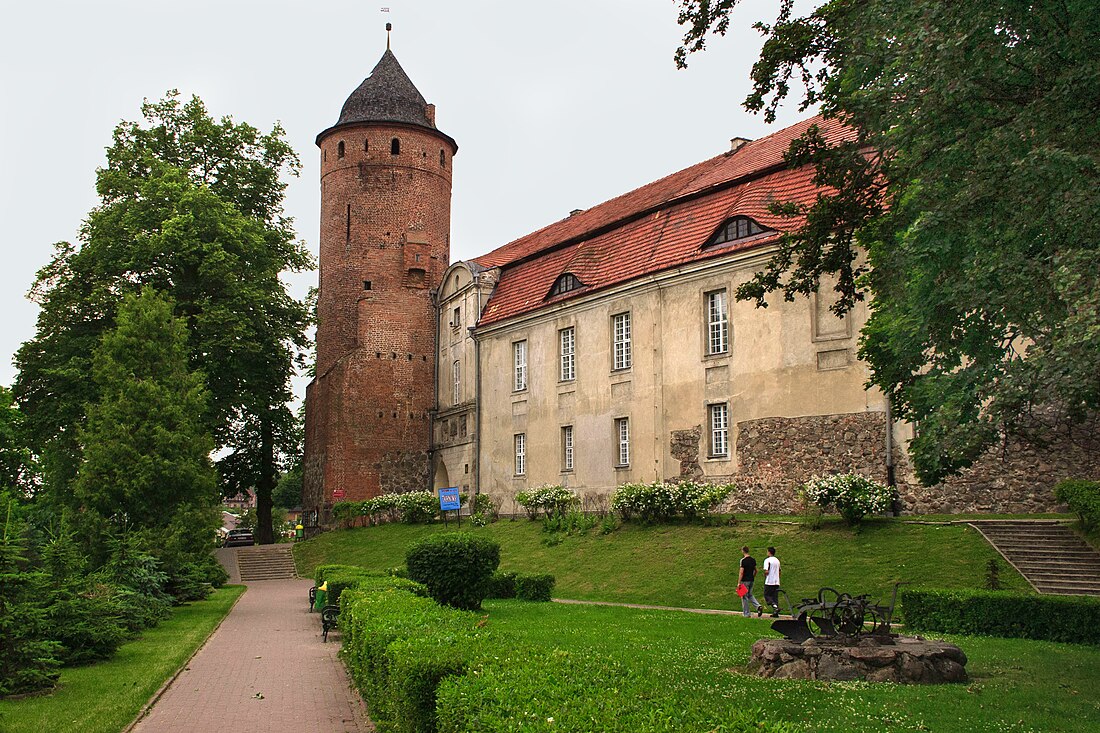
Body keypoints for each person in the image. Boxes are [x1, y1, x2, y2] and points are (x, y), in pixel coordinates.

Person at [737, 545, 763, 617]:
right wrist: (752, 576)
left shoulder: (743, 560)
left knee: (744, 596)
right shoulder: (752, 560)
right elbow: (756, 570)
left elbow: (741, 572)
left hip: (744, 580)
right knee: (750, 595)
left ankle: (746, 613)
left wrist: (739, 582)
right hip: (751, 580)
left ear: (743, 551)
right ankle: (758, 606)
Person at [762, 546, 781, 617]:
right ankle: (776, 613)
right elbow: (779, 571)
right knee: (775, 596)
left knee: (766, 595)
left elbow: (766, 571)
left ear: (769, 552)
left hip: (770, 581)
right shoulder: (777, 560)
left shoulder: (767, 560)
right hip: (776, 581)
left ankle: (775, 606)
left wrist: (765, 576)